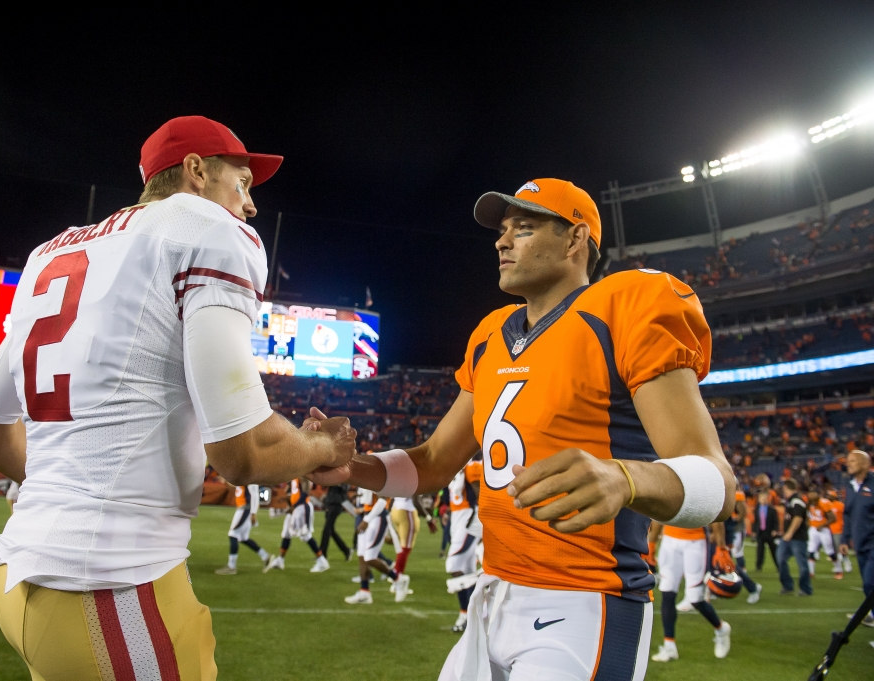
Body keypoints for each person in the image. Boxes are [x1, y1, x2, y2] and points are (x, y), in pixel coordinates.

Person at [0, 115, 357, 681]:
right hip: (111, 589)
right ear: (197, 171)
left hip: (19, 576)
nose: (249, 207)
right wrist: (323, 448)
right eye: (241, 184)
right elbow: (241, 452)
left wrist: (65, 486)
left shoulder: (51, 253)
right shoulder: (204, 228)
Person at [311, 178, 736, 680]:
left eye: (525, 228)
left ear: (575, 240)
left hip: (584, 602)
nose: (502, 240)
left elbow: (720, 484)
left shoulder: (627, 305)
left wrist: (627, 479)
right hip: (493, 595)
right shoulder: (493, 334)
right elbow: (431, 463)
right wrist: (351, 467)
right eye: (503, 229)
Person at [649, 521, 732, 662]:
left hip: (695, 542)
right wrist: (651, 544)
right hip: (669, 541)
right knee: (667, 592)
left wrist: (721, 547)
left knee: (695, 599)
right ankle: (669, 646)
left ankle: (721, 628)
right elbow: (659, 513)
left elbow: (717, 514)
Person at [344, 489, 410, 604]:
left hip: (377, 517)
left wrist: (367, 520)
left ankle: (398, 579)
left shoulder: (379, 473)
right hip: (367, 514)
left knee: (370, 557)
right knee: (361, 556)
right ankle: (364, 591)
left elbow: (382, 501)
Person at [444, 456, 483, 633]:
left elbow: (480, 496)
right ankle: (474, 616)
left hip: (470, 520)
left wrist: (485, 527)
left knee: (453, 564)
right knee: (466, 570)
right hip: (459, 520)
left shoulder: (473, 466)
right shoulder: (456, 466)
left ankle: (465, 614)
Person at [840, 449, 874, 631]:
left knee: (870, 583)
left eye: (853, 460)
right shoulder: (851, 486)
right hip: (860, 544)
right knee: (867, 586)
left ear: (865, 464)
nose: (848, 463)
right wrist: (844, 539)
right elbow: (848, 515)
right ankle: (871, 615)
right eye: (848, 460)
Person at [264, 478, 329, 573]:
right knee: (286, 533)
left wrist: (295, 506)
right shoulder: (295, 474)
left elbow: (306, 492)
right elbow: (296, 492)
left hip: (302, 508)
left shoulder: (303, 474)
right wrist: (289, 500)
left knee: (305, 535)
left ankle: (322, 561)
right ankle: (280, 560)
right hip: (296, 507)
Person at [215, 484, 270, 575]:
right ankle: (265, 556)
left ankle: (231, 566)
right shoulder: (244, 476)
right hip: (243, 508)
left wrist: (253, 513)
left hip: (245, 509)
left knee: (233, 534)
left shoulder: (250, 476)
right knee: (243, 538)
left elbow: (255, 494)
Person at [389, 493, 436, 583]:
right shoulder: (412, 478)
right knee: (406, 546)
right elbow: (415, 501)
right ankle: (397, 575)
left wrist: (390, 513)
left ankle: (396, 571)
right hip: (406, 510)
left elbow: (392, 497)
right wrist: (428, 517)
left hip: (395, 509)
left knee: (402, 544)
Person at [777, 479, 812, 596]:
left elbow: (798, 518)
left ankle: (806, 589)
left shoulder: (797, 500)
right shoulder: (791, 500)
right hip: (787, 537)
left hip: (797, 538)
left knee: (802, 563)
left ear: (786, 487)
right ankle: (787, 585)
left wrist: (790, 532)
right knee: (781, 559)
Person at [806, 489, 841, 578]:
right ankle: (811, 572)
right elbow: (807, 515)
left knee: (829, 551)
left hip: (823, 530)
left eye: (814, 501)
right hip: (813, 529)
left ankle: (838, 569)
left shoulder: (824, 503)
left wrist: (822, 525)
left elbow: (833, 518)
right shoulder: (808, 503)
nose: (813, 503)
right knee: (811, 550)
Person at [319, 482, 354, 561]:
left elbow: (345, 488)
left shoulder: (344, 478)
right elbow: (324, 486)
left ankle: (322, 554)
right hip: (329, 502)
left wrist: (335, 481)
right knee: (330, 530)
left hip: (337, 504)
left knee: (326, 530)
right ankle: (346, 550)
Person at [753, 474, 781, 571]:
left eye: (765, 498)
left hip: (769, 532)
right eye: (762, 498)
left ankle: (778, 565)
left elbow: (776, 521)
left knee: (773, 550)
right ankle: (758, 566)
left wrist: (775, 530)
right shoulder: (757, 508)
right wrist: (754, 531)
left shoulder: (772, 510)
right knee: (760, 551)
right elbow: (755, 521)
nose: (763, 500)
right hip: (760, 532)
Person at [827, 489, 851, 573]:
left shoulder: (840, 505)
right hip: (829, 530)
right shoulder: (827, 505)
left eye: (830, 495)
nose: (828, 496)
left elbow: (846, 515)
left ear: (834, 496)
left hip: (838, 529)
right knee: (833, 550)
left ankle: (847, 562)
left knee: (840, 548)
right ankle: (838, 566)